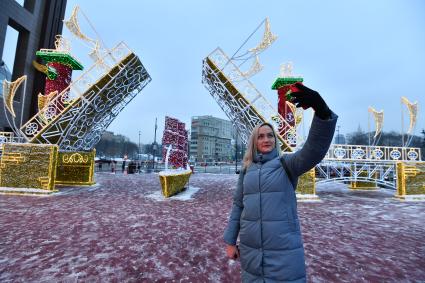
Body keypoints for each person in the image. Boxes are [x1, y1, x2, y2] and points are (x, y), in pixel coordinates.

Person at [223, 83, 337, 282]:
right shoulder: (246, 170)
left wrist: (323, 113)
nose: (266, 139)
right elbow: (238, 206)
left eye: (270, 136)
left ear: (275, 140)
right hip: (251, 254)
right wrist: (230, 241)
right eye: (261, 136)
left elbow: (313, 151)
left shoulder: (287, 165)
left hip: (283, 255)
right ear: (254, 142)